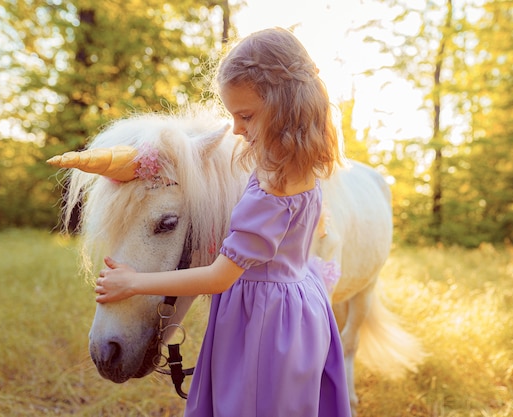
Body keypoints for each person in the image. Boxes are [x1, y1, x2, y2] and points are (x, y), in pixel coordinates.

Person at [94, 27, 352, 417]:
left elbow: (218, 278)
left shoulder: (270, 189)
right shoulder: (301, 168)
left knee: (251, 402)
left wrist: (133, 283)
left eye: (245, 115)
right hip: (298, 306)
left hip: (264, 320)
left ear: (285, 108)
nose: (235, 128)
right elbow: (305, 231)